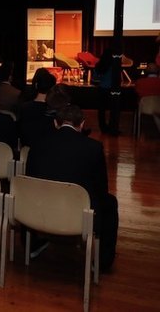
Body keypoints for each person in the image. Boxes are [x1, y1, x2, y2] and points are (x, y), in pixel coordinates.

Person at [26, 104, 119, 272]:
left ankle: (32, 244)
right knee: (110, 203)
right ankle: (102, 263)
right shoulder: (93, 148)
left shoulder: (37, 143)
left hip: (40, 208)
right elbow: (101, 188)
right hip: (78, 212)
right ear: (82, 124)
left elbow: (30, 177)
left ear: (56, 123)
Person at [94, 48, 120, 135]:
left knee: (101, 110)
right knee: (113, 109)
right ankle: (112, 127)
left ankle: (103, 128)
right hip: (112, 90)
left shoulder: (99, 65)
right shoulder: (114, 65)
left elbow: (95, 79)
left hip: (101, 89)